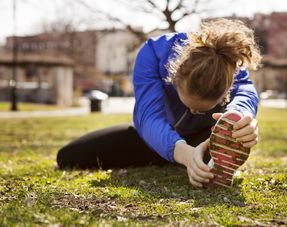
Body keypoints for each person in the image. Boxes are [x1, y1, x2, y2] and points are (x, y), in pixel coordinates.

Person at [57, 19, 261, 188]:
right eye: (188, 104)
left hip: (202, 138)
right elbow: (149, 116)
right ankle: (184, 157)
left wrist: (241, 116)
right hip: (153, 136)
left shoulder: (227, 62)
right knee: (68, 157)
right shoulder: (152, 53)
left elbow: (245, 90)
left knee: (219, 138)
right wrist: (185, 154)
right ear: (174, 78)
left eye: (200, 109)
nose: (192, 111)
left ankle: (212, 156)